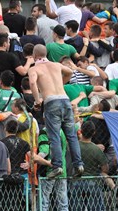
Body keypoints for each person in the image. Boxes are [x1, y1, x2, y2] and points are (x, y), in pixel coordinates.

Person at [28, 44, 83, 177]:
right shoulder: (56, 65)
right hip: (65, 100)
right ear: (46, 54)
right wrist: (62, 83)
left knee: (54, 136)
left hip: (51, 102)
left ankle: (57, 166)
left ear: (35, 56)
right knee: (71, 136)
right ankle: (79, 165)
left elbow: (32, 83)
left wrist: (37, 100)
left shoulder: (34, 68)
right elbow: (70, 72)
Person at [70, 120, 109, 211]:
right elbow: (105, 168)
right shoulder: (96, 150)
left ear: (80, 130)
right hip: (93, 183)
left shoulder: (75, 148)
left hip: (77, 182)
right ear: (93, 132)